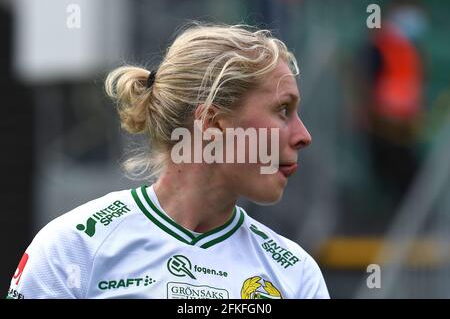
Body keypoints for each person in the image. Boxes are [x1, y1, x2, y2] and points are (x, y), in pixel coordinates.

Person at [7, 23, 329, 299]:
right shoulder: (74, 246)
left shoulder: (295, 273)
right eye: (283, 110)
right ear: (214, 123)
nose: (304, 135)